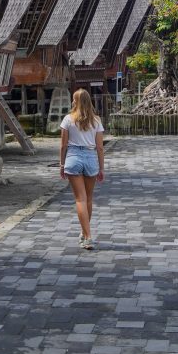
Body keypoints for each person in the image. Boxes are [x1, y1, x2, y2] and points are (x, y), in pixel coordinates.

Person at [60, 89, 104, 250]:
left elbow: (63, 145)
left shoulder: (68, 119)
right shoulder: (97, 121)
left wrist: (62, 164)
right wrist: (101, 168)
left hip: (73, 157)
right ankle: (85, 234)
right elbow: (100, 147)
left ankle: (87, 235)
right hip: (91, 157)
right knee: (89, 199)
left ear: (76, 101)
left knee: (80, 199)